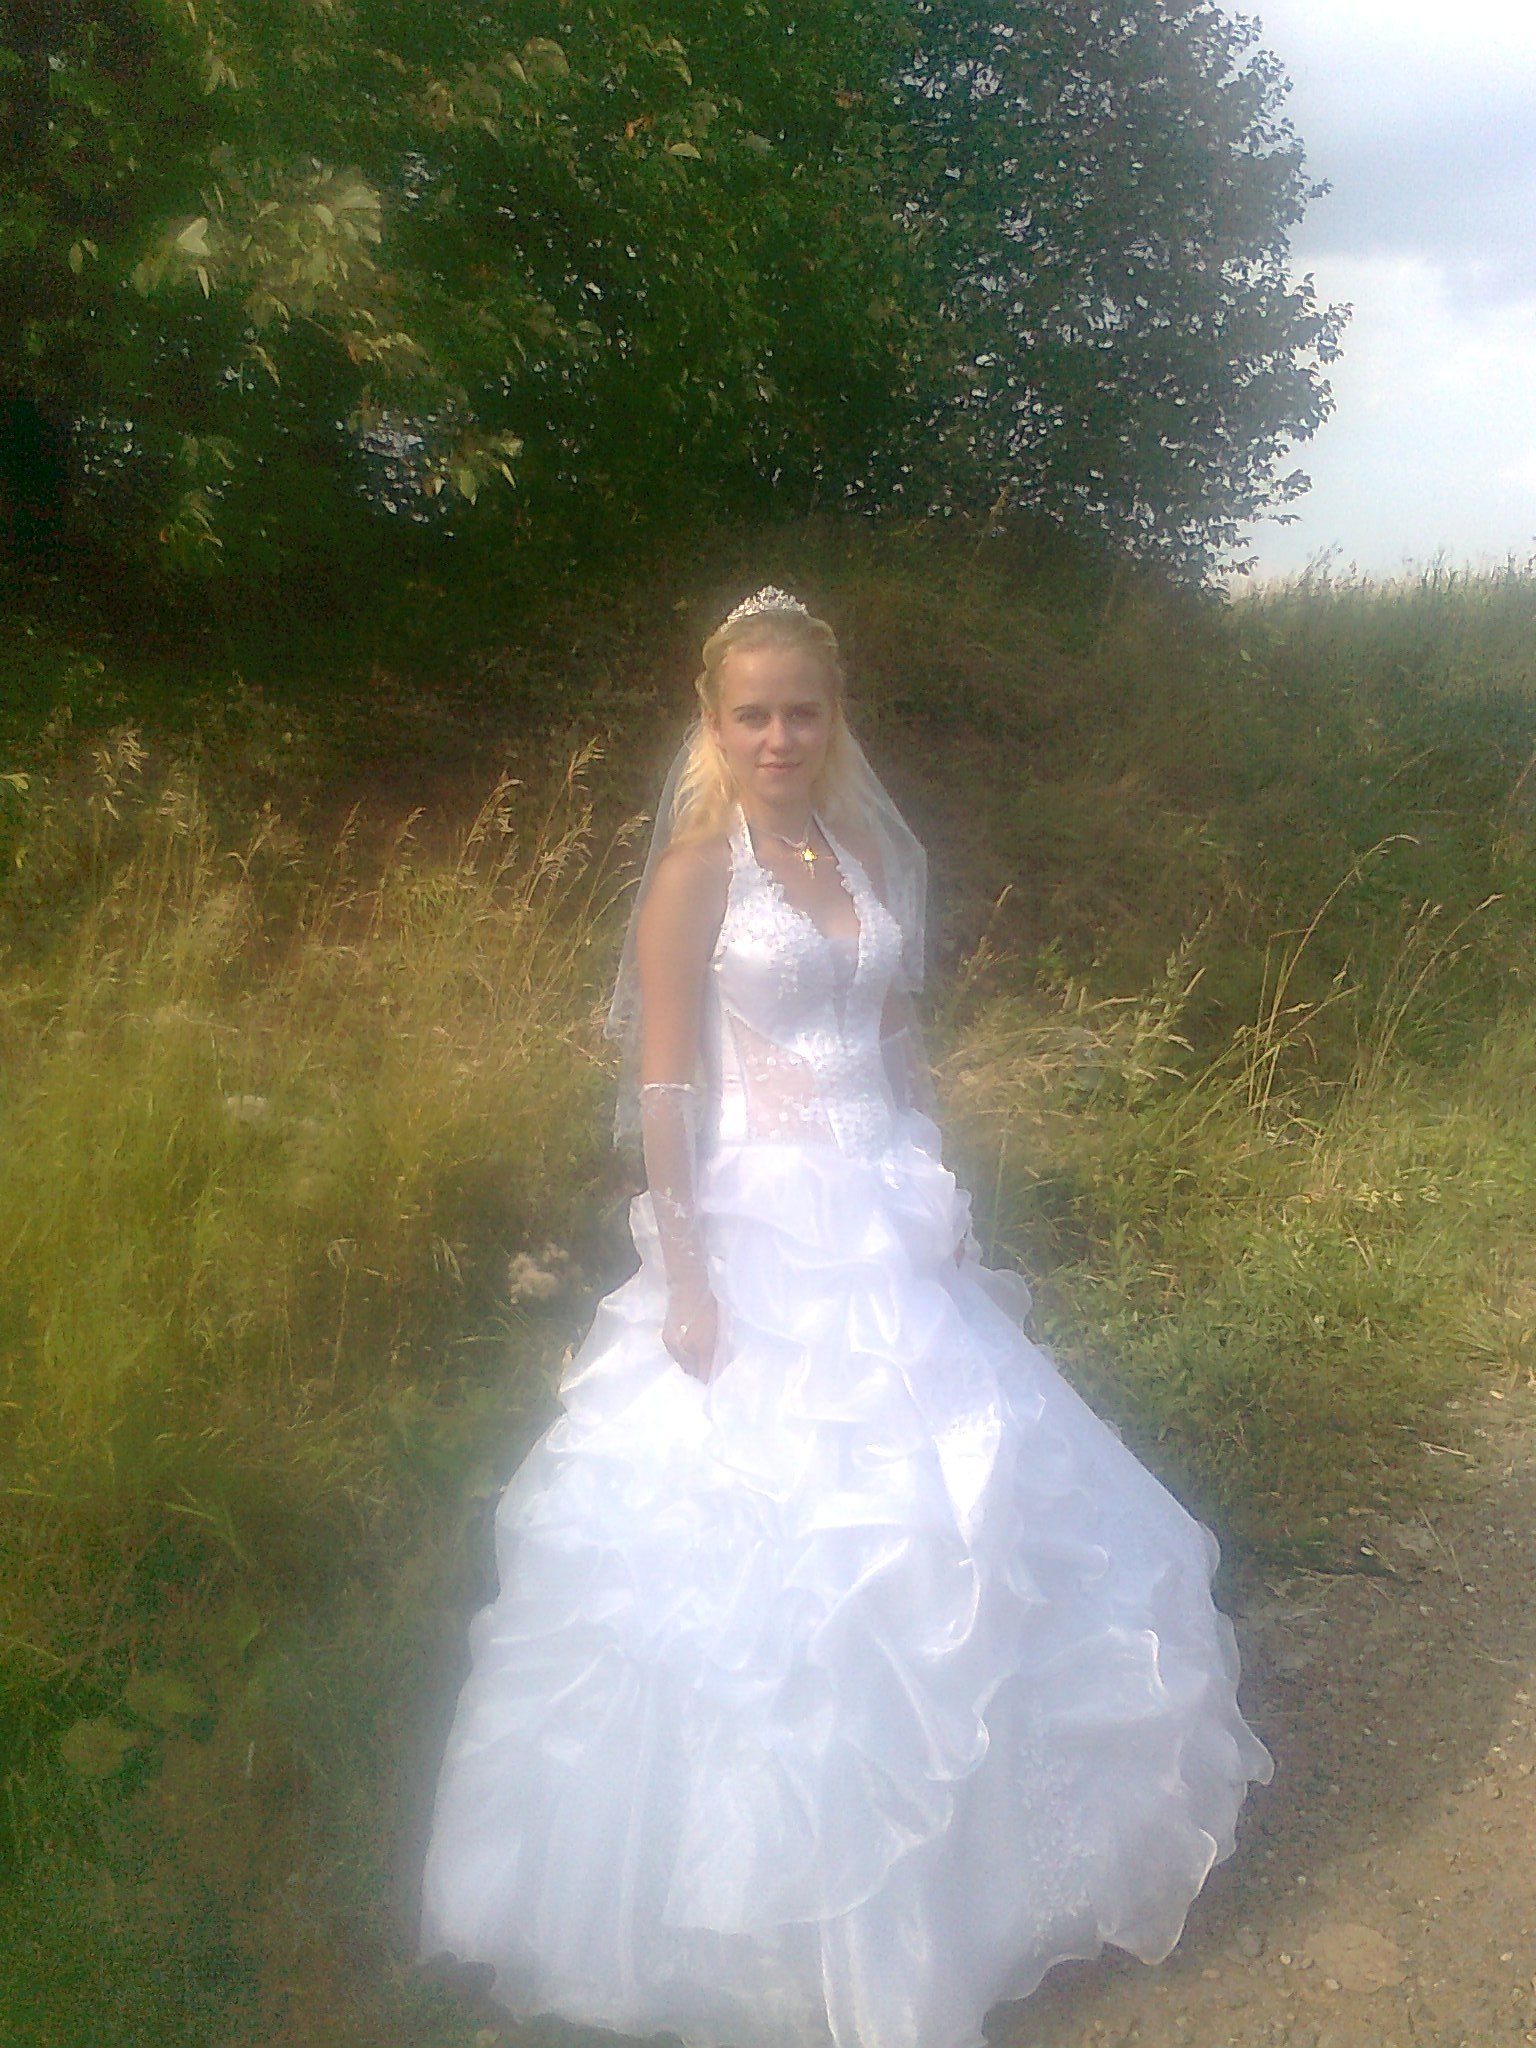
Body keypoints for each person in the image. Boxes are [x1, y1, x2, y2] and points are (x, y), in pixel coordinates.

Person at [417, 587, 1274, 2048]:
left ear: (833, 718)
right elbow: (666, 1086)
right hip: (761, 1228)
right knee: (799, 1557)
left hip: (888, 1216)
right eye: (751, 713)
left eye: (800, 711)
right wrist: (689, 1273)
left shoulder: (864, 855)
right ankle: (777, 1931)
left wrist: (937, 1182)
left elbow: (894, 1037)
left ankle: (987, 1887)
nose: (778, 736)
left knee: (963, 1518)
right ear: (713, 721)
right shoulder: (696, 873)